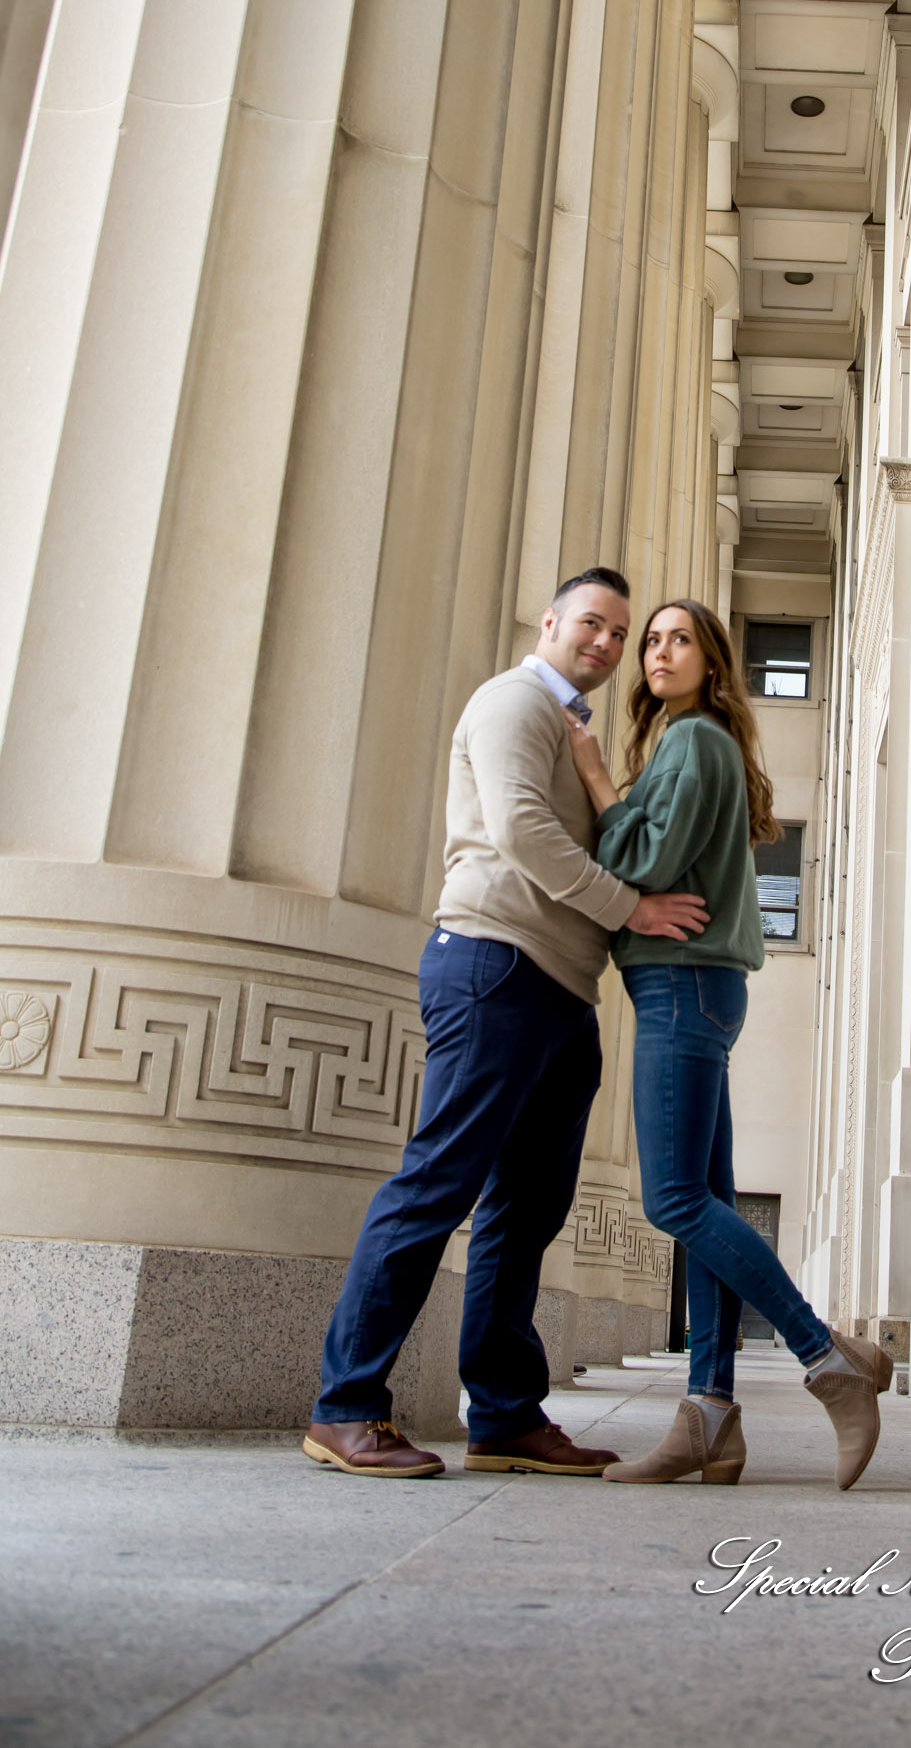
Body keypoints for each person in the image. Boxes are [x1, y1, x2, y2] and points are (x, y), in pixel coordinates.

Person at [303, 567, 710, 1478]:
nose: (607, 644)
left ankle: (506, 1417)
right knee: (437, 1185)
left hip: (562, 989)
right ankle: (346, 1407)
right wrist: (631, 909)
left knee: (524, 1215)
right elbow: (521, 829)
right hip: (494, 963)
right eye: (593, 625)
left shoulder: (571, 727)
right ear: (551, 621)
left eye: (620, 633)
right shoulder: (513, 701)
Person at [563, 596, 891, 1491]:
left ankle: (829, 1361)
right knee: (705, 1204)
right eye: (653, 641)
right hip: (696, 989)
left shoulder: (694, 740)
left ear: (713, 663)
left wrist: (596, 779)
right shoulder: (690, 743)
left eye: (680, 640)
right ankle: (708, 1420)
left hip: (683, 987)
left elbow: (641, 865)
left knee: (672, 1202)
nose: (660, 653)